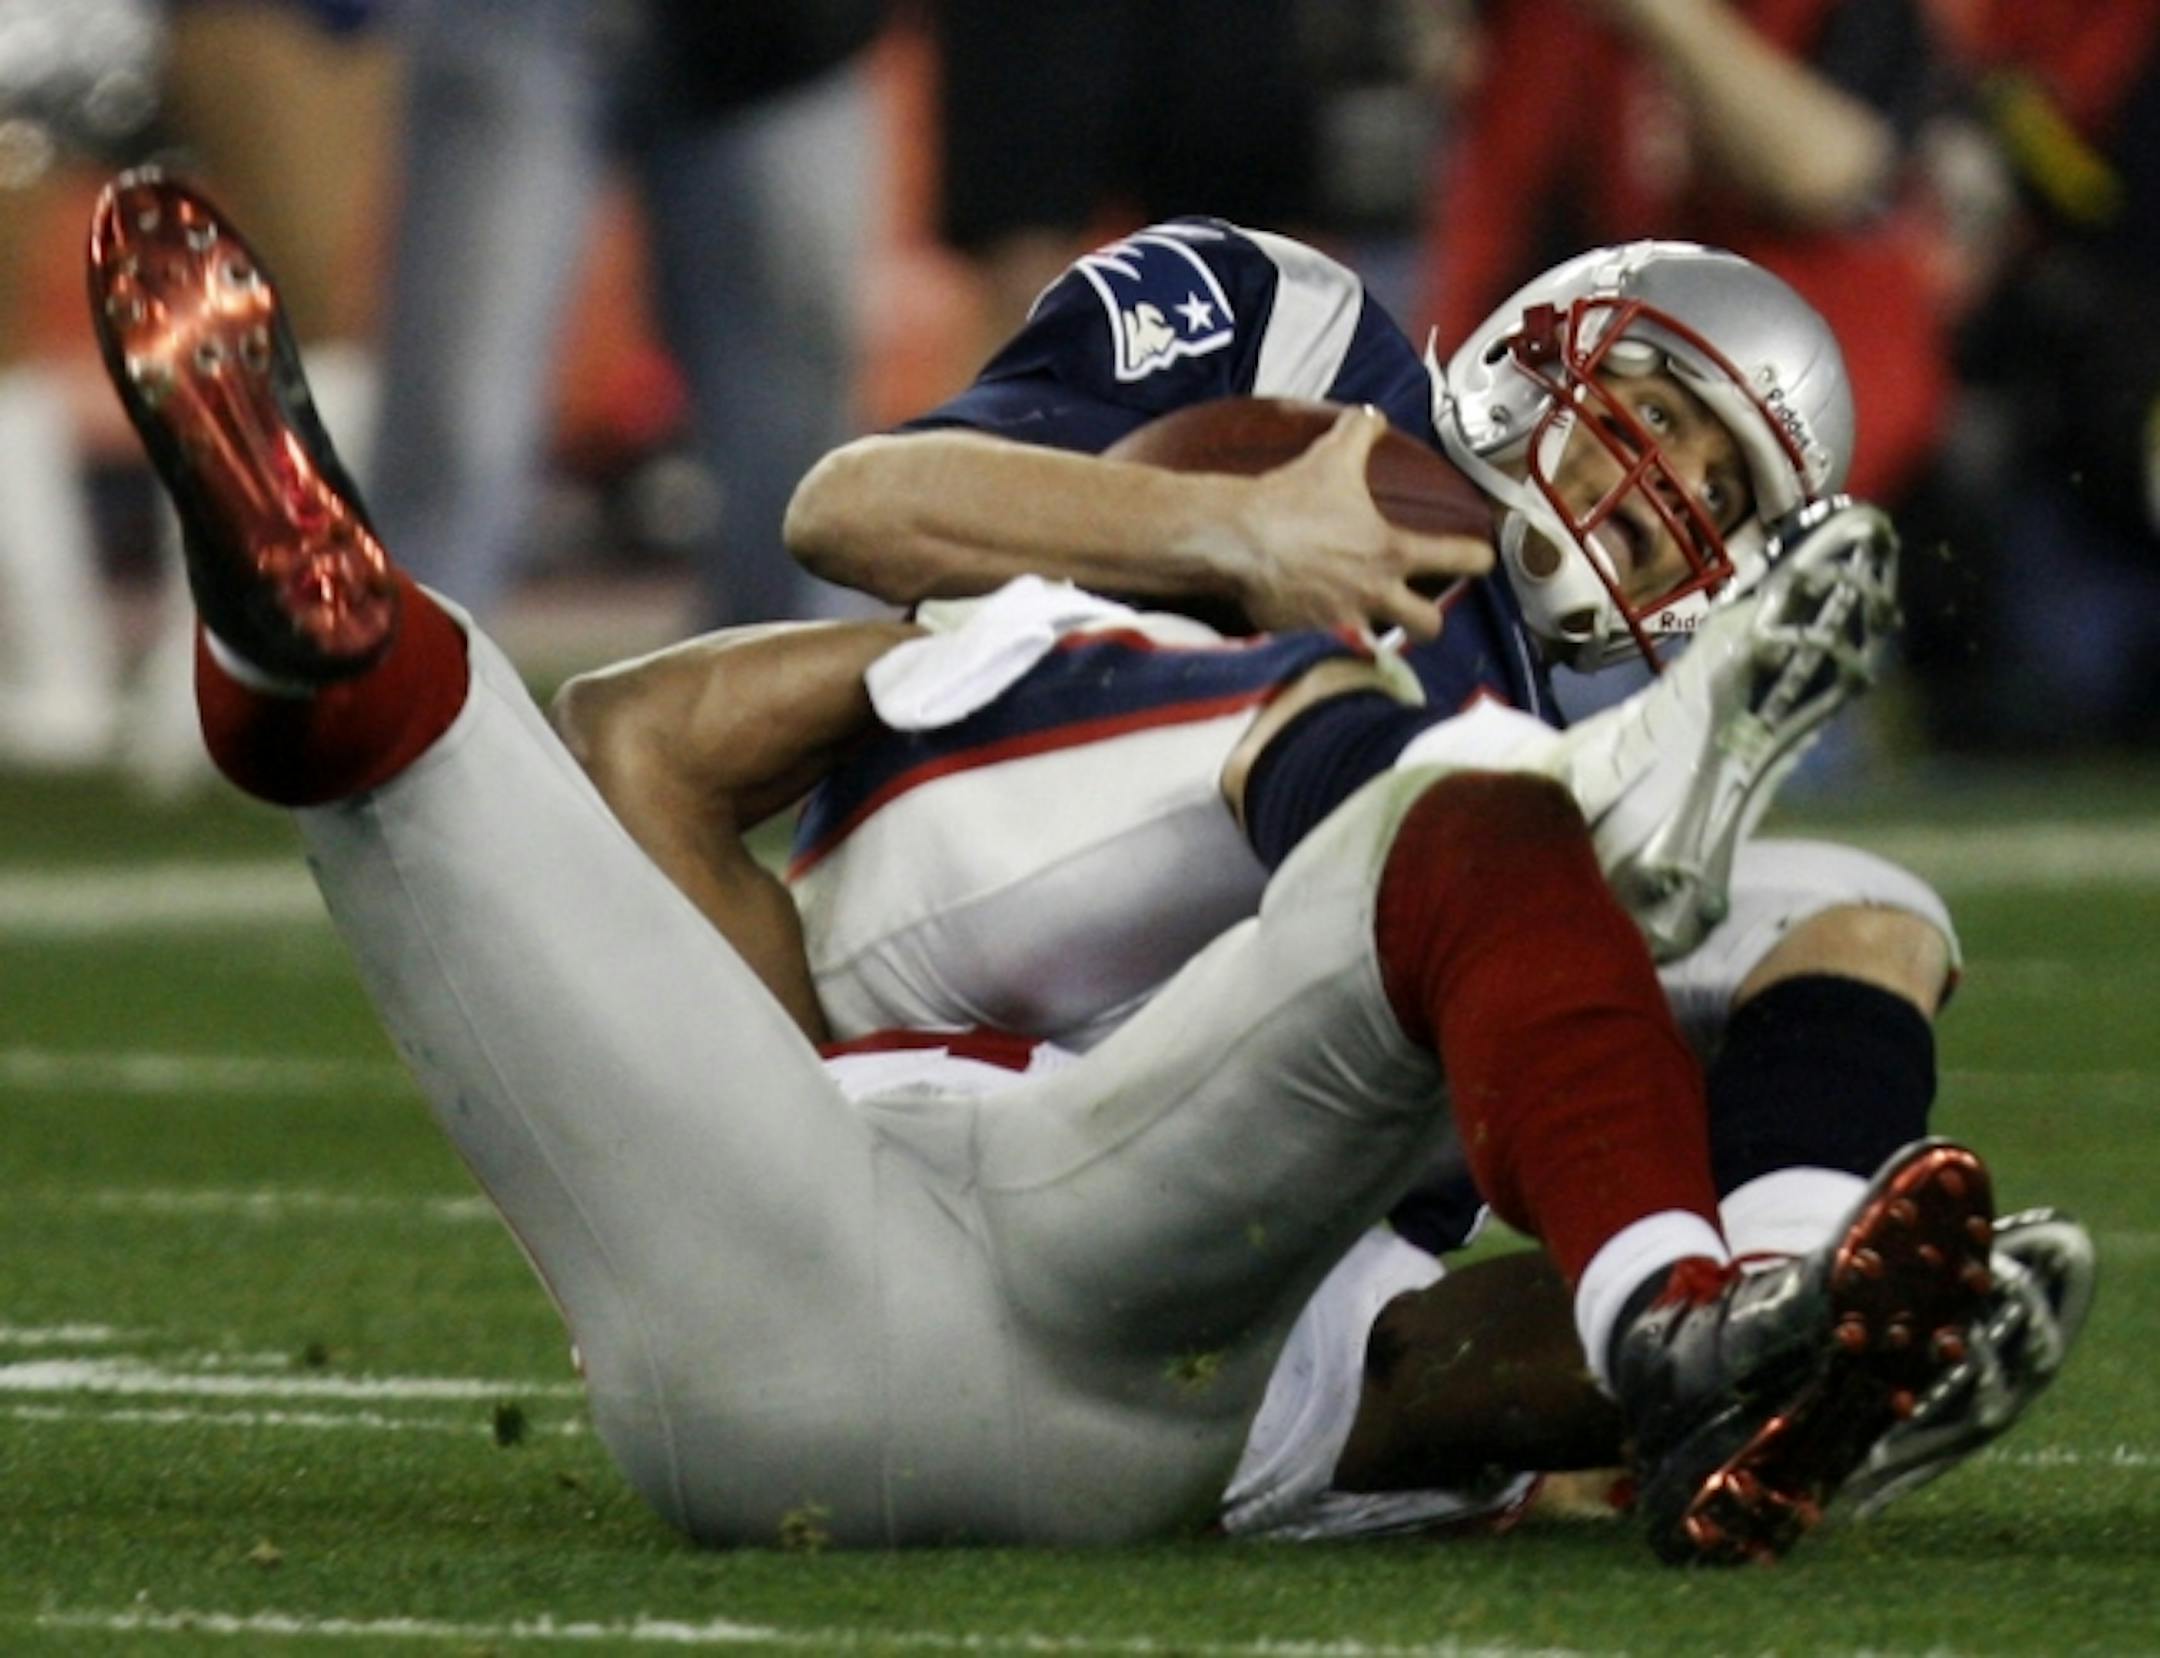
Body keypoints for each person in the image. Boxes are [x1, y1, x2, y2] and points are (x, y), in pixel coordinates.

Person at [88, 168, 1999, 1565]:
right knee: (1454, 819)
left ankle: (1765, 1312)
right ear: (1547, 346)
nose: (1653, 486)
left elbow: (1418, 1362)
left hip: (920, 1284)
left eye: (1718, 492)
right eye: (1656, 411)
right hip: (1086, 1299)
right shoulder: (1307, 357)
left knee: (1846, 907)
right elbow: (848, 517)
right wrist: (1198, 552)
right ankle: (1720, 1309)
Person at [362, 0, 884, 630]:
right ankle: (401, 706)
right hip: (518, 23)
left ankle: (802, 716)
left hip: (776, 43)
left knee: (793, 442)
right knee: (455, 421)